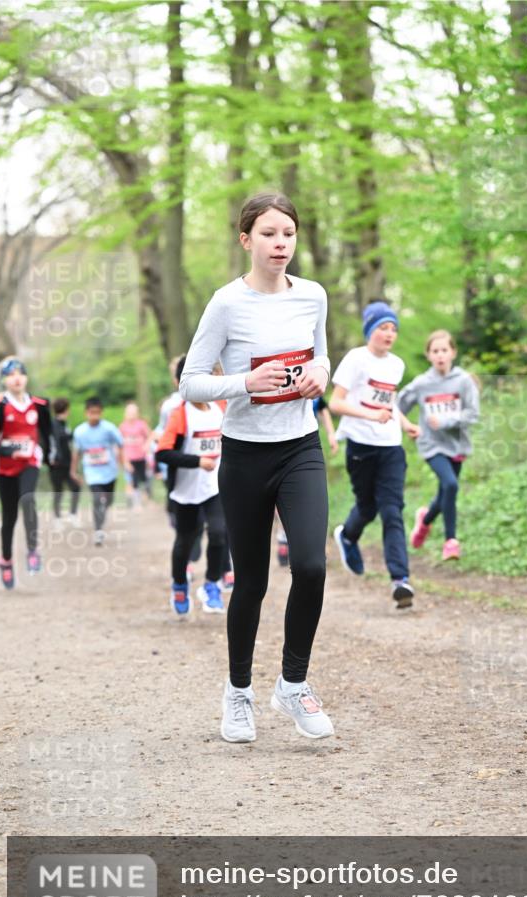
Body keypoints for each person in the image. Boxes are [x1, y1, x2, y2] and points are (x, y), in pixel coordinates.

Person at [180, 191, 334, 743]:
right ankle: (238, 692)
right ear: (246, 240)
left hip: (300, 448)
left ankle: (293, 685)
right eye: (269, 234)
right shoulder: (226, 303)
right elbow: (191, 381)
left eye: (288, 234)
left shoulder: (313, 295)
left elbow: (320, 355)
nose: (281, 244)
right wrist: (245, 382)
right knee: (251, 583)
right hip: (244, 454)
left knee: (312, 567)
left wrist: (321, 375)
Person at [329, 301, 419, 609]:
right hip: (360, 445)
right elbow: (336, 403)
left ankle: (400, 580)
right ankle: (347, 536)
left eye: (394, 328)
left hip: (390, 446)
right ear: (370, 330)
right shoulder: (356, 359)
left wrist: (405, 424)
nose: (389, 334)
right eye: (383, 327)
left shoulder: (396, 365)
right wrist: (369, 417)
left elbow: (388, 402)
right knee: (367, 508)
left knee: (392, 510)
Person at [398, 330, 480, 560]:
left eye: (444, 350)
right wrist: (408, 425)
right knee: (451, 485)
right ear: (429, 355)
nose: (440, 355)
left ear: (453, 352)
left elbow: (473, 414)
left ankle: (424, 519)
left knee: (445, 490)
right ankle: (451, 542)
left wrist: (446, 421)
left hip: (457, 444)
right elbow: (397, 406)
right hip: (431, 443)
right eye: (435, 351)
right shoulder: (422, 383)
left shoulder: (463, 381)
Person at [156, 360, 228, 617]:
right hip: (186, 492)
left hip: (214, 487)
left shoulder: (220, 407)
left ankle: (211, 585)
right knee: (185, 542)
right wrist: (197, 461)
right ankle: (179, 584)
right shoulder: (181, 415)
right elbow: (163, 453)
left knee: (220, 534)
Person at [0, 357, 51, 588]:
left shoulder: (40, 404)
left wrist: (49, 454)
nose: (16, 378)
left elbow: (47, 432)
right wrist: (6, 449)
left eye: (20, 373)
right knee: (9, 518)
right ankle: (5, 560)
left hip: (30, 462)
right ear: (4, 380)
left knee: (28, 499)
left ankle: (33, 549)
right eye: (10, 374)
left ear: (26, 377)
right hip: (5, 468)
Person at [275, 395, 338, 568]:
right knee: (282, 497)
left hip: (308, 448)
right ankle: (282, 536)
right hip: (281, 447)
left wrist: (331, 434)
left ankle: (315, 545)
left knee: (313, 498)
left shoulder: (311, 381)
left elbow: (323, 408)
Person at [71, 397, 126, 546]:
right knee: (96, 500)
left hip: (109, 472)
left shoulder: (109, 428)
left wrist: (123, 462)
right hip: (92, 472)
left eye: (97, 413)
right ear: (86, 413)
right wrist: (73, 470)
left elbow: (121, 444)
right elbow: (76, 452)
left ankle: (103, 511)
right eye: (91, 413)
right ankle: (98, 531)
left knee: (108, 501)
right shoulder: (80, 431)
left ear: (101, 413)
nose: (94, 416)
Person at [49, 397, 81, 524]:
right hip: (57, 464)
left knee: (75, 487)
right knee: (58, 490)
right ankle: (57, 518)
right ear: (66, 410)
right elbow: (58, 441)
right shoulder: (54, 425)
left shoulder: (64, 424)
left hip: (67, 464)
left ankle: (72, 514)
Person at [119, 402, 152, 507]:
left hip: (142, 457)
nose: (131, 414)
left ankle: (148, 498)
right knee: (133, 480)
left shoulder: (141, 424)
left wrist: (146, 445)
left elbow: (150, 436)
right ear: (125, 413)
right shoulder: (122, 427)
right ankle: (135, 502)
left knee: (145, 479)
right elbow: (120, 445)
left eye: (134, 412)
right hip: (129, 458)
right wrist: (124, 460)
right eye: (129, 412)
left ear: (137, 413)